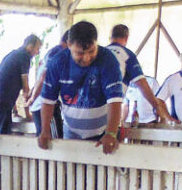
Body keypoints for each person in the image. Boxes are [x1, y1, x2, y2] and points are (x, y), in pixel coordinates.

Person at [37, 21, 124, 155]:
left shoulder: (108, 61)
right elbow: (48, 100)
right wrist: (45, 130)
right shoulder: (57, 62)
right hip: (71, 132)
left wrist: (111, 133)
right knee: (71, 172)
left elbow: (115, 100)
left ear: (97, 43)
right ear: (69, 45)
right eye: (80, 53)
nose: (87, 58)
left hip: (102, 134)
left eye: (91, 51)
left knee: (100, 174)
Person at [107, 24, 174, 124]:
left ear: (110, 37)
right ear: (126, 38)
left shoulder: (98, 53)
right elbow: (142, 84)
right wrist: (157, 107)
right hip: (108, 109)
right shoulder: (127, 55)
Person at [0, 34, 42, 134]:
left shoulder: (15, 53)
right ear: (30, 46)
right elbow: (25, 87)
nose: (38, 52)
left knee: (2, 129)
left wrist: (15, 111)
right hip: (3, 100)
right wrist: (28, 114)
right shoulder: (24, 56)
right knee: (3, 133)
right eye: (37, 49)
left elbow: (10, 81)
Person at [27, 31, 68, 137]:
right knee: (54, 142)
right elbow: (43, 78)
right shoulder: (59, 53)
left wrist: (32, 95)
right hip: (45, 105)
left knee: (47, 142)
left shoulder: (52, 52)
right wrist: (32, 98)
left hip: (39, 104)